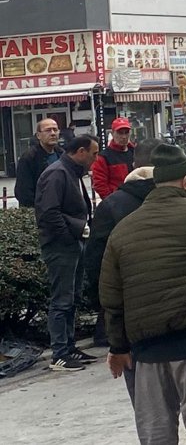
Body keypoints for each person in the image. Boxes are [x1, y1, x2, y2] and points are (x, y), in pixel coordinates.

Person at [99, 144, 186, 444]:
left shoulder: (123, 230)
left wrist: (118, 346)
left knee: (156, 430)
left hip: (148, 350)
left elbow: (111, 297)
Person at [84, 139, 160, 350]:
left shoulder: (112, 206)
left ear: (134, 165)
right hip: (184, 322)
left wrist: (102, 299)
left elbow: (95, 260)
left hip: (131, 311)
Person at [34, 134, 100, 371]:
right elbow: (48, 213)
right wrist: (70, 235)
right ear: (81, 152)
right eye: (93, 153)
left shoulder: (70, 172)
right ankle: (59, 353)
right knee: (62, 300)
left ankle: (69, 347)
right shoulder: (57, 173)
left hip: (73, 243)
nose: (95, 158)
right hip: (62, 246)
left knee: (71, 299)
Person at [15, 118, 63, 208]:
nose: (53, 133)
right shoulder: (29, 158)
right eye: (48, 130)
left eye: (55, 130)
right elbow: (23, 192)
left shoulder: (63, 155)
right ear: (38, 135)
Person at [92, 117, 136, 200]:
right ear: (112, 133)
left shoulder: (135, 152)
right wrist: (111, 202)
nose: (124, 136)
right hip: (118, 202)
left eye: (126, 133)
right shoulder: (103, 157)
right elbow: (100, 184)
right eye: (120, 133)